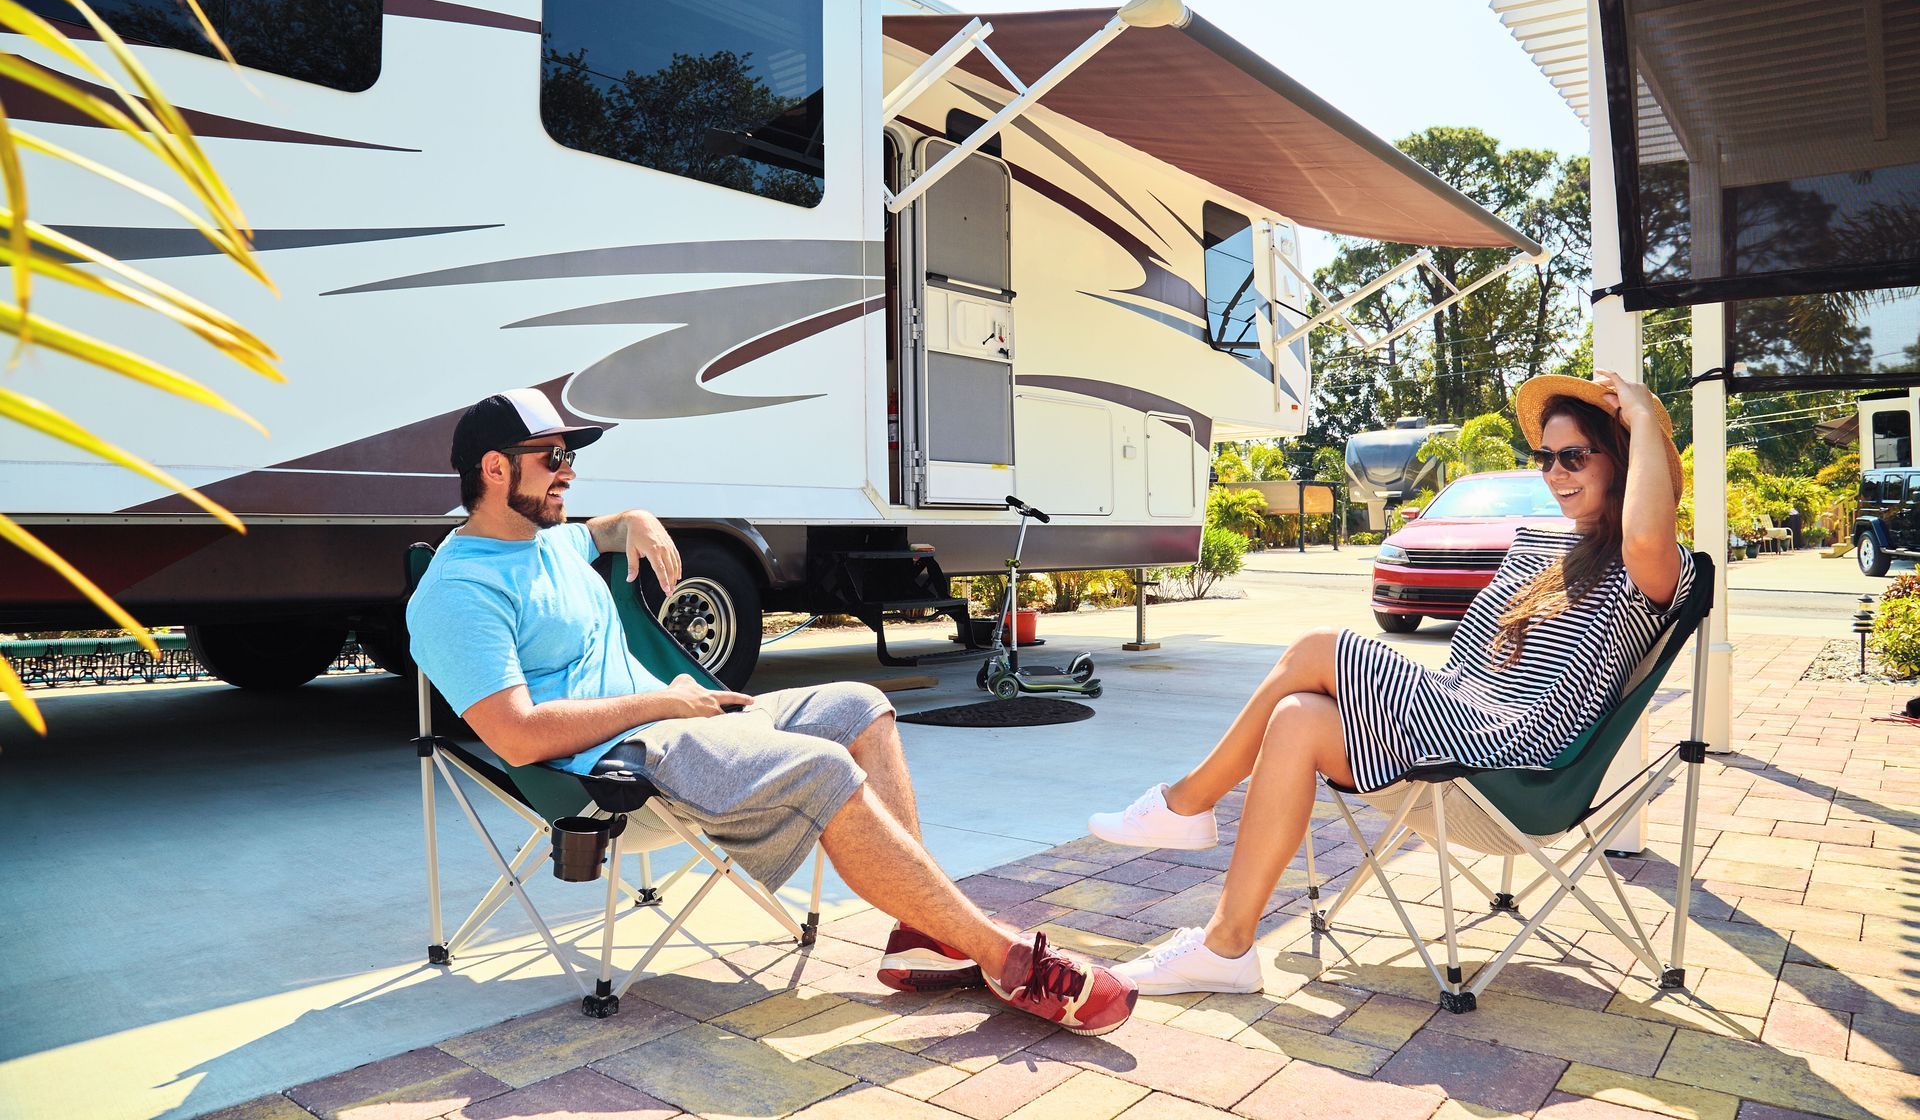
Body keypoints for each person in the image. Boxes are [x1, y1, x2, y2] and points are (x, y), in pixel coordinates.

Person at [407, 388, 1135, 1032]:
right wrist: (667, 701)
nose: (569, 470)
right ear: (494, 470)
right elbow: (516, 734)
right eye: (551, 457)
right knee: (821, 766)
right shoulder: (457, 593)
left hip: (680, 721)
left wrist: (636, 519)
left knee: (861, 705)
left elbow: (597, 533)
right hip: (616, 762)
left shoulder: (549, 540)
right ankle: (1003, 956)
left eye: (571, 454)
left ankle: (921, 929)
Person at [1089, 371, 1694, 994]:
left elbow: (1647, 530)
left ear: (1621, 463)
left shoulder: (1644, 568)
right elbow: (1468, 664)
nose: (1555, 471)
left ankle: (1185, 804)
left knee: (1316, 647)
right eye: (1544, 457)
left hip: (1515, 760)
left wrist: (1644, 416)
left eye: (1573, 456)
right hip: (1459, 721)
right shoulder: (1542, 546)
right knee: (1296, 714)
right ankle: (1226, 946)